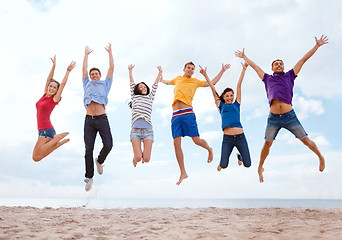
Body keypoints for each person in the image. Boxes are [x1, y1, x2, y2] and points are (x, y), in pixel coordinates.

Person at [235, 35, 328, 183]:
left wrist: (316, 46)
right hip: (273, 119)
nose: (279, 65)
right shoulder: (267, 78)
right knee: (267, 144)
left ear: (283, 67)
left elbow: (303, 60)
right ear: (272, 68)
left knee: (305, 140)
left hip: (289, 117)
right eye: (276, 64)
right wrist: (244, 56)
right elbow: (255, 67)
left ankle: (320, 157)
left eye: (281, 64)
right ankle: (260, 168)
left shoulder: (290, 75)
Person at [161, 61, 230, 185]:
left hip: (188, 113)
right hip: (175, 115)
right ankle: (183, 172)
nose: (190, 70)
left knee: (196, 140)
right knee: (176, 143)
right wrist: (161, 79)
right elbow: (167, 82)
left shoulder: (195, 81)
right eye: (188, 68)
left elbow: (212, 82)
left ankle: (209, 149)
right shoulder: (177, 79)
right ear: (184, 69)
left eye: (192, 69)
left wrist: (222, 71)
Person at [200, 63, 251, 171]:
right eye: (227, 96)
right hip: (227, 139)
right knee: (223, 165)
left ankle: (239, 157)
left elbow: (239, 85)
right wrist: (205, 75)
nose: (229, 97)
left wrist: (244, 70)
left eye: (231, 95)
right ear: (223, 97)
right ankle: (222, 163)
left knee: (247, 164)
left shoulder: (237, 104)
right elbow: (212, 88)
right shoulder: (221, 105)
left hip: (240, 137)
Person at [82, 44, 114, 191]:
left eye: (96, 74)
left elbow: (111, 69)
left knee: (108, 144)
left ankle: (100, 161)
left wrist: (110, 53)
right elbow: (83, 70)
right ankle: (89, 178)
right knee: (88, 149)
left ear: (99, 76)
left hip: (102, 118)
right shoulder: (86, 83)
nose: (94, 76)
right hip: (89, 120)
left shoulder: (105, 84)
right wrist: (86, 55)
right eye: (92, 74)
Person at [32, 56, 76, 162]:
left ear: (57, 91)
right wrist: (54, 65)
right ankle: (58, 143)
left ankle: (56, 139)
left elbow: (63, 85)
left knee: (35, 157)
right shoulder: (44, 95)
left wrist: (68, 71)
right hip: (43, 131)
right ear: (48, 87)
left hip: (46, 130)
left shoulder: (54, 99)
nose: (51, 88)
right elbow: (48, 79)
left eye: (54, 88)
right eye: (50, 86)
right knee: (37, 157)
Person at [128, 64, 163, 167]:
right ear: (137, 90)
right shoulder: (134, 97)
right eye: (140, 87)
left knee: (146, 159)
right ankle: (135, 159)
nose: (143, 88)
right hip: (135, 131)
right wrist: (130, 70)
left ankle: (142, 157)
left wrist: (160, 73)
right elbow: (131, 83)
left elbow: (155, 85)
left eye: (144, 86)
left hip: (148, 131)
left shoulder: (150, 98)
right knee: (138, 158)